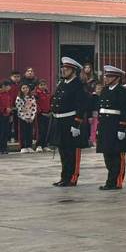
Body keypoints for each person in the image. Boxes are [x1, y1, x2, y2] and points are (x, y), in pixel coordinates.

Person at [50, 56, 89, 187]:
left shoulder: (78, 85)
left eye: (66, 69)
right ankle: (64, 177)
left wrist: (76, 124)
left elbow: (81, 106)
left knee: (71, 152)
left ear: (73, 71)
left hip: (70, 122)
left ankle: (72, 177)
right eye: (63, 68)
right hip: (60, 121)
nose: (63, 71)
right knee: (63, 152)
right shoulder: (62, 83)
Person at [95, 65, 126, 191]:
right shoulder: (104, 90)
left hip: (116, 126)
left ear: (116, 78)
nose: (106, 78)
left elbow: (125, 111)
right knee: (107, 155)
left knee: (117, 156)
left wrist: (122, 128)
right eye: (106, 76)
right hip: (105, 126)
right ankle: (110, 181)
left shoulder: (122, 91)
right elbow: (101, 110)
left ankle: (117, 181)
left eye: (109, 76)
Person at [14, 81, 39, 152]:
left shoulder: (32, 97)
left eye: (27, 87)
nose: (25, 89)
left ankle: (29, 146)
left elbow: (34, 107)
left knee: (29, 132)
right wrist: (24, 117)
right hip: (22, 118)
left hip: (30, 118)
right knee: (23, 132)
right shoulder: (19, 98)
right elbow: (19, 108)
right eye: (23, 88)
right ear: (21, 89)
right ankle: (23, 147)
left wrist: (31, 117)